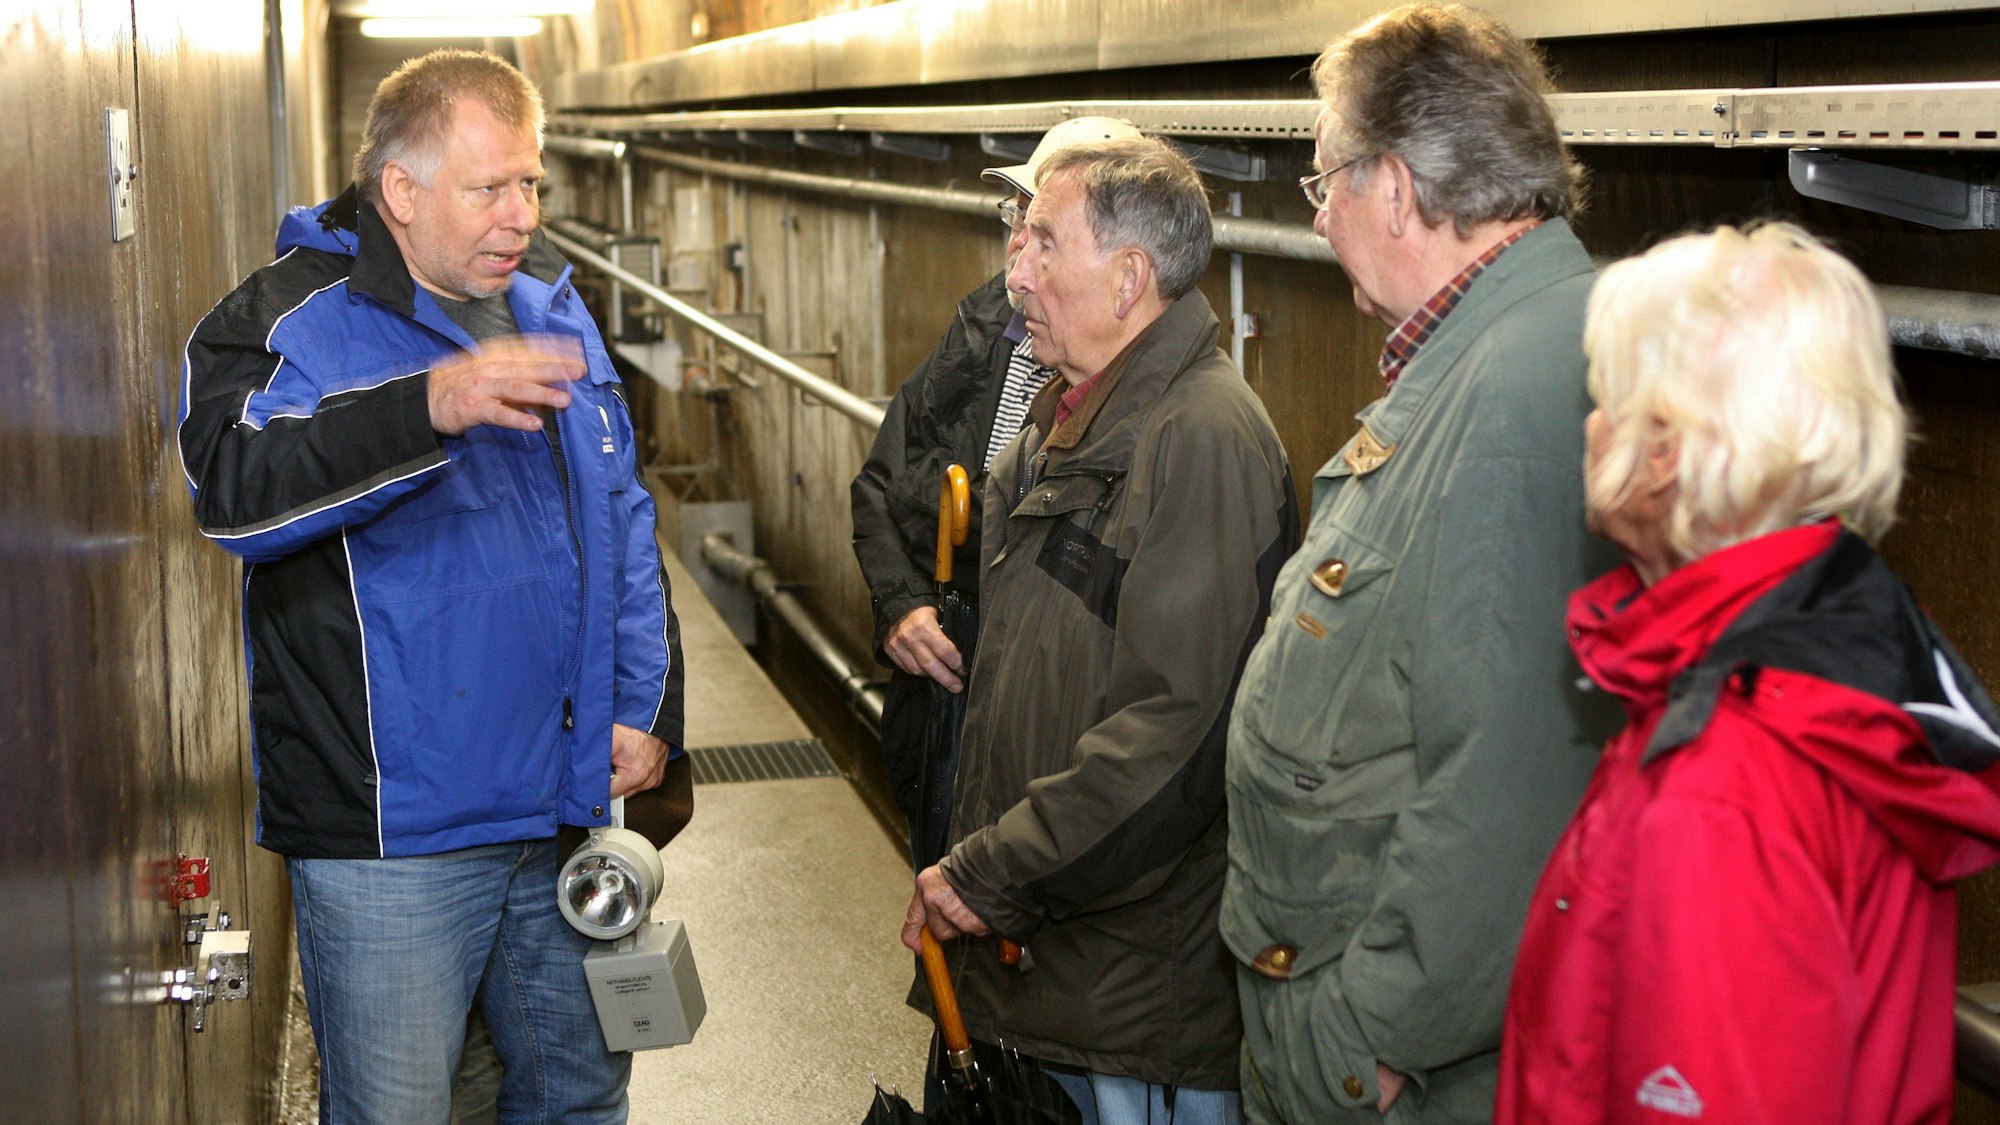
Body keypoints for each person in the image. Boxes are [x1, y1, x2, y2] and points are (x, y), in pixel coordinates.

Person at [177, 50, 682, 1124]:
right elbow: (232, 496)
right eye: (489, 187)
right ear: (400, 191)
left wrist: (645, 705)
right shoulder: (284, 322)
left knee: (580, 1098)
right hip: (392, 840)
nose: (521, 214)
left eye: (531, 182)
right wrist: (426, 405)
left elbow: (623, 520)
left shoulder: (550, 309)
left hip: (562, 809)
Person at [1495, 222, 2000, 1125]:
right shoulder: (1842, 648)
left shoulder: (1724, 785)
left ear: (1665, 451)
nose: (1590, 425)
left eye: (1607, 398)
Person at [1220, 6, 1620, 1121]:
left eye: (1324, 184)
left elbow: (1513, 780)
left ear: (1393, 191)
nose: (1320, 217)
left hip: (1408, 1067)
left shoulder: (1521, 397)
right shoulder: (1488, 357)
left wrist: (1375, 1035)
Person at [902, 136, 1298, 1125]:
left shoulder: (1200, 439)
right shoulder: (1065, 420)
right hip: (1049, 968)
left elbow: (1173, 736)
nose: (1016, 272)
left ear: (1127, 279)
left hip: (1132, 999)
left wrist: (991, 871)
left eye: (1044, 243)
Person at [852, 117, 1141, 869]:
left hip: (1043, 728)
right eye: (1017, 221)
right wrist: (903, 604)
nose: (1018, 253)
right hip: (947, 692)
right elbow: (882, 479)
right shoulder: (986, 324)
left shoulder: (1153, 400)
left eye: (1043, 233)